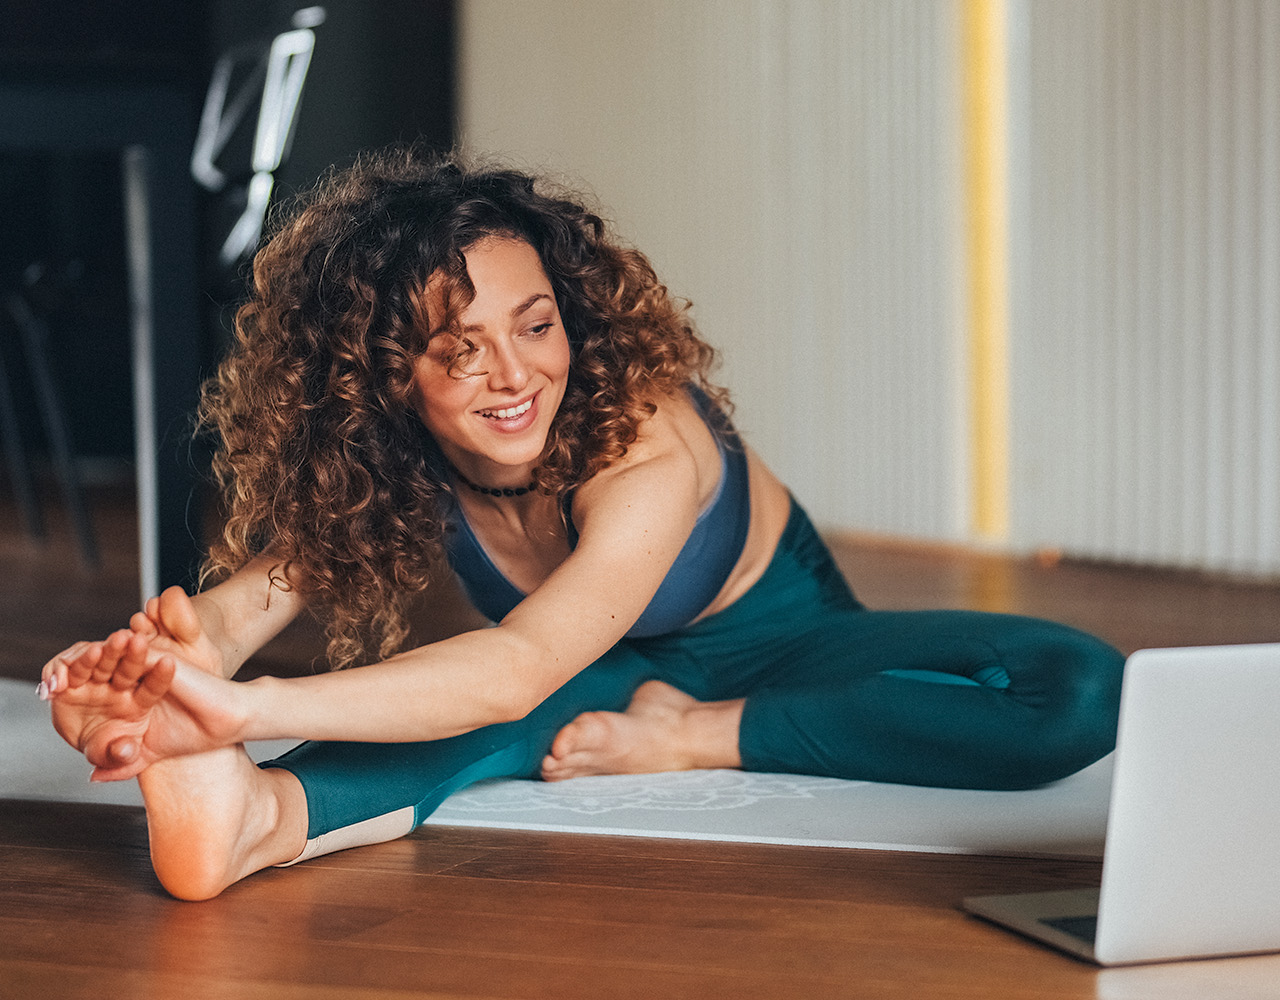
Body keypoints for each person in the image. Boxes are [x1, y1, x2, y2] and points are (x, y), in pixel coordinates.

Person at [41, 148, 1124, 900]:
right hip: (589, 671)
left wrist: (251, 705)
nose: (514, 375)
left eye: (535, 324)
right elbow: (243, 609)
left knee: (1082, 690)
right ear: (389, 375)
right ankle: (253, 819)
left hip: (790, 649)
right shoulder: (397, 449)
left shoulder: (641, 443)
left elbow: (516, 666)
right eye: (460, 349)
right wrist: (155, 669)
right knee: (468, 722)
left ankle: (700, 732)